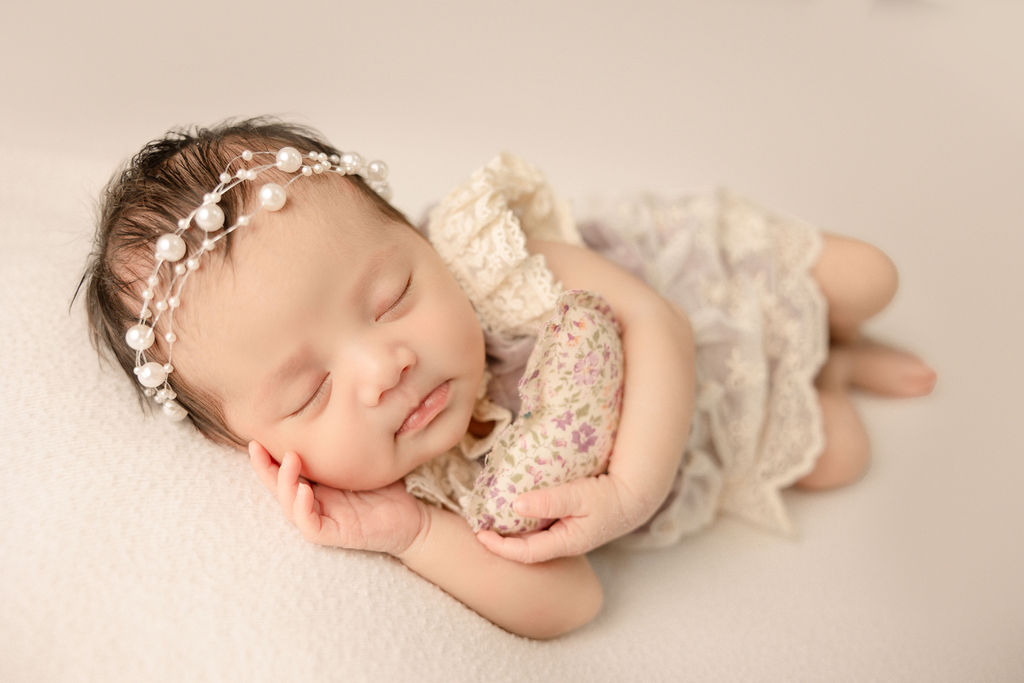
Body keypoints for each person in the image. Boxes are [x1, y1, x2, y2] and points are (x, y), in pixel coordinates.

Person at [77, 117, 936, 639]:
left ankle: (838, 330)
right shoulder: (432, 486)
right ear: (258, 445)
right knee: (844, 453)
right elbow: (570, 601)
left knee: (870, 275)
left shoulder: (498, 269)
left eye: (392, 295)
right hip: (718, 422)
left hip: (695, 308)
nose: (385, 366)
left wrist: (631, 490)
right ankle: (832, 367)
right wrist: (410, 532)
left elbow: (657, 323)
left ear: (419, 235)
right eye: (309, 392)